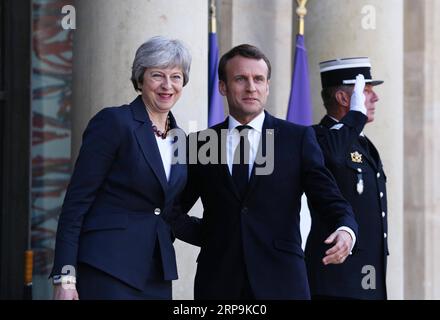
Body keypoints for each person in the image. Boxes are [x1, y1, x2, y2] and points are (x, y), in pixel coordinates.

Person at [172, 44, 358, 300]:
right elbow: (174, 210)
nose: (251, 87)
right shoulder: (201, 143)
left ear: (267, 86)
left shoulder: (297, 139)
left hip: (283, 283)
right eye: (240, 79)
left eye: (258, 79)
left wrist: (345, 229)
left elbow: (329, 198)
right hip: (218, 283)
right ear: (223, 87)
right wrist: (215, 237)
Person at [50, 36, 194, 300]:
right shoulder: (115, 122)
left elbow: (169, 214)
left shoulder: (180, 139)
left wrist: (229, 234)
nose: (167, 85)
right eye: (157, 75)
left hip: (155, 274)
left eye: (175, 76)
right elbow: (77, 203)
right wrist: (65, 276)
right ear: (140, 80)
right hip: (107, 267)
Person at [305, 57, 388, 300]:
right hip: (336, 280)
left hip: (367, 277)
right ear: (344, 99)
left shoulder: (362, 143)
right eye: (367, 92)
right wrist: (355, 116)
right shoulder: (316, 138)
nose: (375, 98)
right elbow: (331, 154)